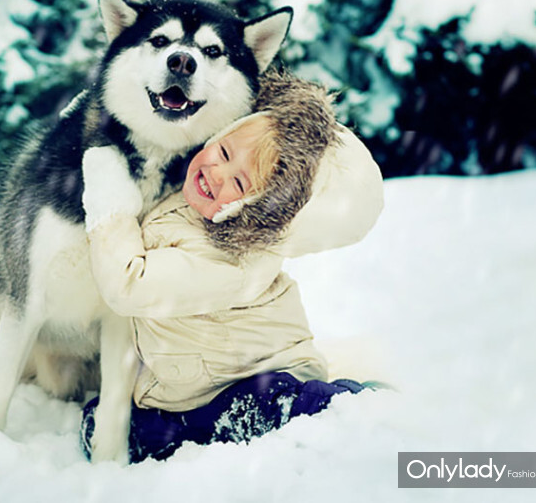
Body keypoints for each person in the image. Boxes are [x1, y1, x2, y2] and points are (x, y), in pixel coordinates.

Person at [78, 68, 384, 463]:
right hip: (192, 386)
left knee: (270, 406)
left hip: (262, 374)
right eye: (223, 151)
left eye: (239, 185)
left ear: (258, 215)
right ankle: (156, 433)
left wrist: (110, 211)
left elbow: (129, 284)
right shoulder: (197, 200)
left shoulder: (231, 261)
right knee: (163, 426)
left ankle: (350, 409)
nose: (216, 173)